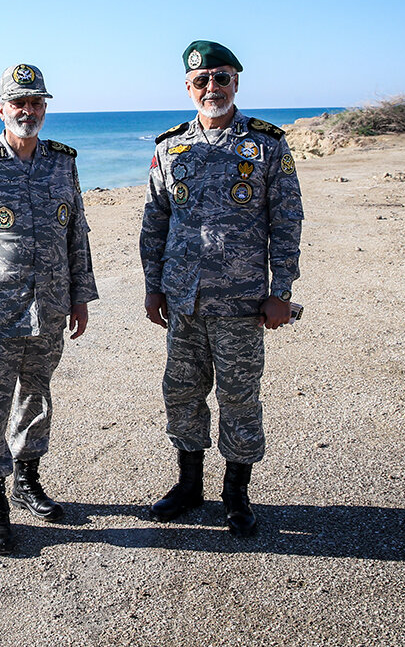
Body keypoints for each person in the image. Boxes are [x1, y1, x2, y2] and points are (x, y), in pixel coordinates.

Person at [139, 41, 303, 536]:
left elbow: (287, 219)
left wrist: (281, 289)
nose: (212, 88)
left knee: (239, 397)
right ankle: (190, 487)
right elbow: (155, 221)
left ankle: (236, 494)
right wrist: (153, 286)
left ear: (237, 82)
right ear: (187, 88)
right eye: (201, 81)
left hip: (242, 302)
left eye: (222, 78)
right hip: (184, 300)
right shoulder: (169, 147)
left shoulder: (267, 144)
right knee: (182, 393)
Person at [0, 63, 100, 554]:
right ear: (1, 109)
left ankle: (26, 479)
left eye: (36, 103)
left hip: (51, 307)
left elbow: (77, 230)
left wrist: (80, 295)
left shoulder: (62, 162)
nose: (28, 111)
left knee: (36, 398)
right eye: (20, 103)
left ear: (44, 108)